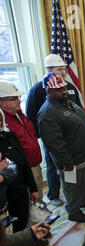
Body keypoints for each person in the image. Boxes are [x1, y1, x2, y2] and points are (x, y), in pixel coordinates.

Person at [37, 73, 85, 223]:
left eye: (64, 88)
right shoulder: (47, 113)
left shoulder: (66, 102)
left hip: (84, 155)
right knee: (72, 186)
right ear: (49, 91)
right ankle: (73, 210)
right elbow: (54, 143)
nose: (64, 91)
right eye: (59, 89)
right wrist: (67, 162)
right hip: (72, 160)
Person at [26, 54, 82, 207]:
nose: (63, 72)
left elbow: (78, 108)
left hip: (71, 135)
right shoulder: (37, 90)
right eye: (59, 69)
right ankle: (54, 194)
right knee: (53, 166)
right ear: (49, 70)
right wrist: (40, 136)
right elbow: (31, 115)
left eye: (64, 69)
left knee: (71, 163)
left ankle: (74, 192)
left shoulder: (70, 88)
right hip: (51, 136)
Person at [0, 99, 40, 246]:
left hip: (20, 192)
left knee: (21, 226)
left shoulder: (9, 136)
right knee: (7, 235)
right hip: (4, 198)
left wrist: (33, 188)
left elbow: (23, 164)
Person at [0, 82, 49, 213]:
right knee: (27, 207)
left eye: (18, 98)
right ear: (2, 102)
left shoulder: (19, 114)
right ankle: (32, 231)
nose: (18, 101)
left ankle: (40, 226)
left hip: (34, 165)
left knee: (37, 198)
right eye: (14, 98)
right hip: (22, 173)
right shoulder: (3, 123)